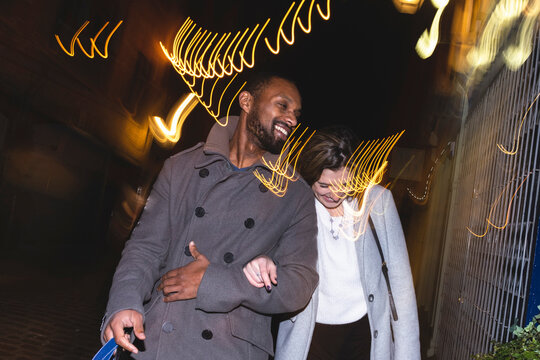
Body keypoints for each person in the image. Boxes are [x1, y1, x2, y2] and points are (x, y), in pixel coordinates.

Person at [100, 73, 319, 360]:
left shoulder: (295, 194)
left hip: (231, 349)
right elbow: (145, 247)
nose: (291, 119)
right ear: (247, 102)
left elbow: (300, 283)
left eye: (296, 114)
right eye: (283, 106)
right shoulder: (181, 167)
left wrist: (213, 282)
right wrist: (124, 303)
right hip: (158, 343)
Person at [243, 126, 420, 359]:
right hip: (309, 330)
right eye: (324, 185)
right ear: (310, 176)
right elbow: (270, 250)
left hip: (365, 330)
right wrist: (263, 259)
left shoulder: (377, 203)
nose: (333, 195)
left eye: (343, 185)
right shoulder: (295, 205)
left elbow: (401, 284)